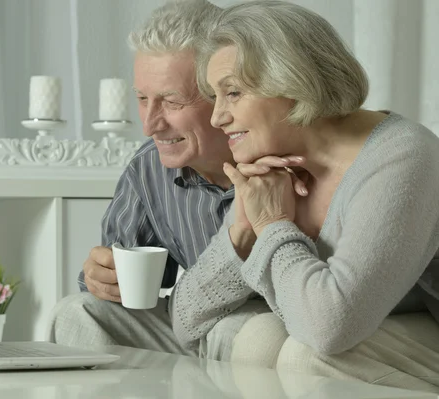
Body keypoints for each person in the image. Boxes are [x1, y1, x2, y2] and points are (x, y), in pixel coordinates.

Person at [180, 0, 439, 391]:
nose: (217, 118)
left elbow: (328, 327)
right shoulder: (274, 169)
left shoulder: (404, 156)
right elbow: (186, 320)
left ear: (292, 82)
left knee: (306, 355)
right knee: (257, 336)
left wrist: (273, 225)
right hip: (378, 331)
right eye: (215, 97)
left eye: (232, 93)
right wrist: (244, 231)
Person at [47, 0, 306, 361]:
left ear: (224, 93)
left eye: (172, 101)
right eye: (141, 99)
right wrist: (100, 275)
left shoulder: (286, 158)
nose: (150, 124)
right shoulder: (149, 168)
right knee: (77, 311)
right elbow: (133, 280)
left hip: (269, 326)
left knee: (246, 330)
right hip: (190, 323)